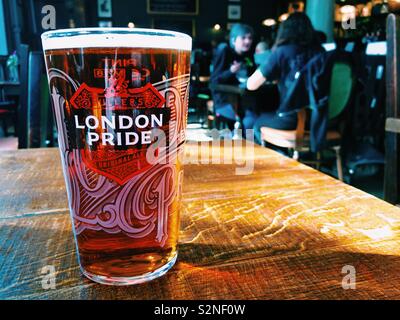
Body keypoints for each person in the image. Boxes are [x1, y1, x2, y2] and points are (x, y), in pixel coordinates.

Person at [247, 12, 324, 145]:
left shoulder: (282, 52)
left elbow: (251, 84)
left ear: (285, 31)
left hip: (292, 119)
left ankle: (277, 160)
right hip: (320, 119)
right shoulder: (321, 52)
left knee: (256, 124)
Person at [210, 23, 257, 131]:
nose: (248, 41)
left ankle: (248, 143)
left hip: (245, 99)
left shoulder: (248, 54)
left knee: (254, 118)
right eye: (243, 38)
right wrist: (230, 71)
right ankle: (241, 142)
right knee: (249, 120)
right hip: (225, 100)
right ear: (234, 40)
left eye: (250, 38)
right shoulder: (224, 51)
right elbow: (214, 81)